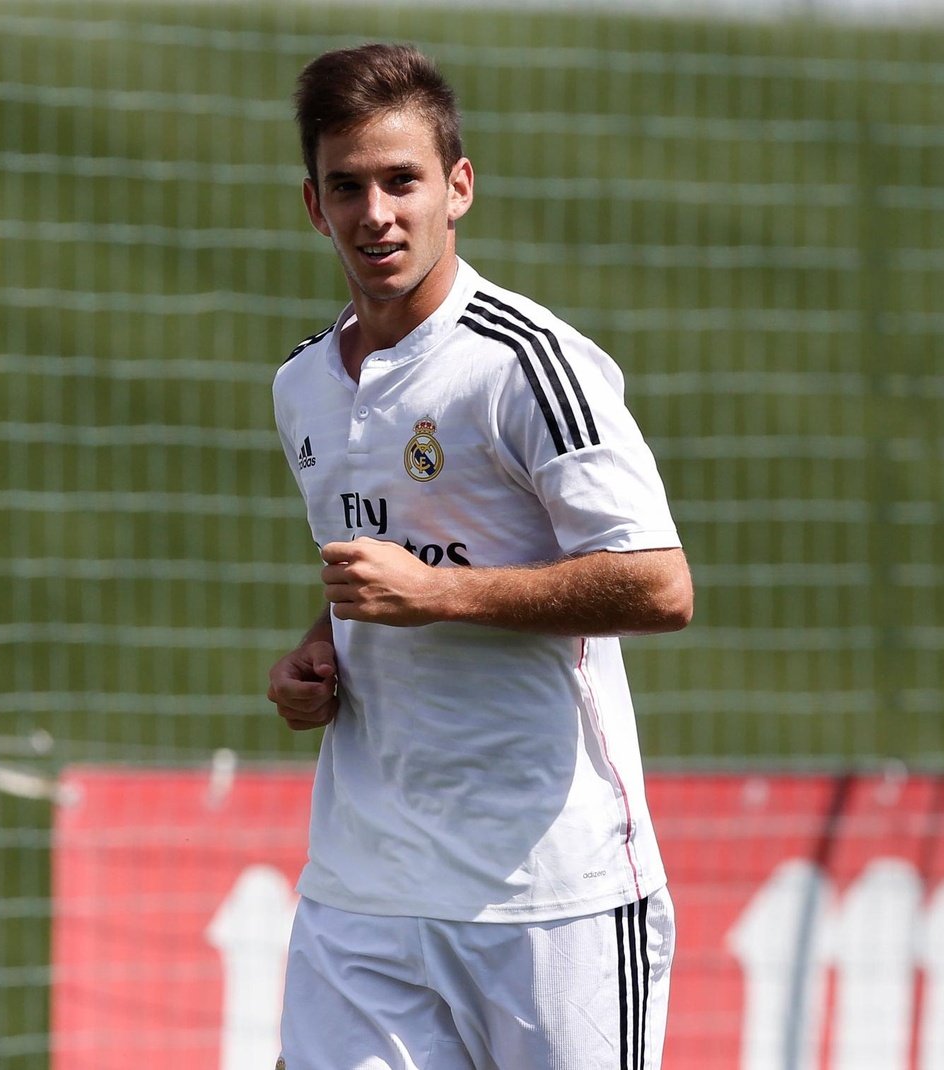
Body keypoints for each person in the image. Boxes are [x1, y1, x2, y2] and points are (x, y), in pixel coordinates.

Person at [268, 41, 693, 1070]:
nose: (377, 213)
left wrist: (437, 595)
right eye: (348, 186)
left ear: (457, 187)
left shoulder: (526, 363)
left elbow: (657, 582)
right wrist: (316, 649)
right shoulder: (302, 384)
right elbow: (385, 566)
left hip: (550, 890)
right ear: (313, 206)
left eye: (402, 180)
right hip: (364, 886)